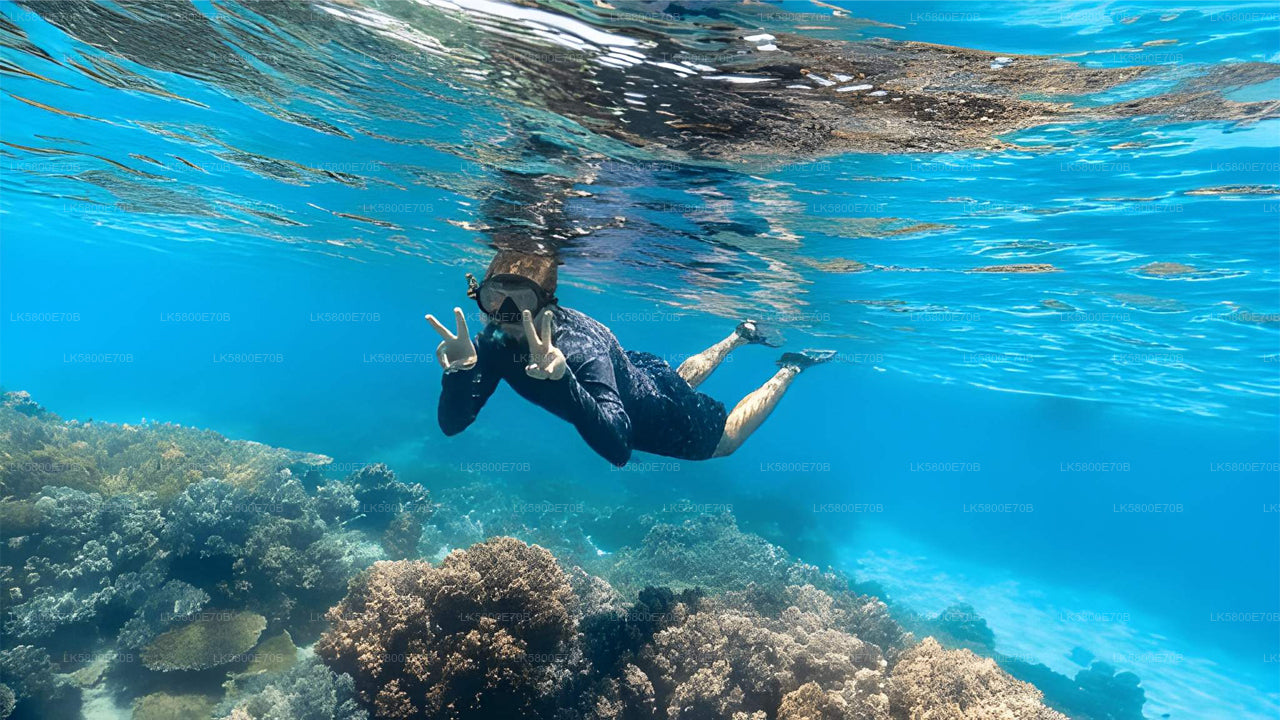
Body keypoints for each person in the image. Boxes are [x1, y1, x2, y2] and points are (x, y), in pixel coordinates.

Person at [425, 250, 833, 467]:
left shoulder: (580, 353)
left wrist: (563, 381)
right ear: (479, 294)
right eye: (495, 298)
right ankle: (737, 337)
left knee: (726, 441)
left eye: (523, 302)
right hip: (642, 372)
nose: (507, 315)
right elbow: (451, 425)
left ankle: (791, 366)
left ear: (547, 306)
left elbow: (620, 450)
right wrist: (459, 375)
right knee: (678, 379)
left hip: (654, 415)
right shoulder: (495, 338)